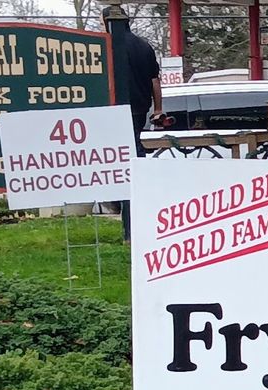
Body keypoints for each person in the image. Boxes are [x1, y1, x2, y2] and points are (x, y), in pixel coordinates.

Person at [102, 6, 164, 244]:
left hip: (112, 111)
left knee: (116, 162)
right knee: (134, 158)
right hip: (139, 109)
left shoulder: (105, 46)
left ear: (107, 22)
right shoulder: (143, 46)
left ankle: (124, 213)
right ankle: (136, 213)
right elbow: (154, 81)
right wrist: (158, 110)